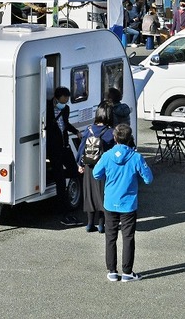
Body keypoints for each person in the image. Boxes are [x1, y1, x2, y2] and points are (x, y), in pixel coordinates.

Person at [92, 124, 153, 282]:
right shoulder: (136, 157)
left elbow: (96, 174)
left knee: (110, 237)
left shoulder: (107, 155)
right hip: (128, 204)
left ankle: (112, 270)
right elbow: (148, 179)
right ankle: (127, 272)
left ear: (114, 138)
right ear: (130, 138)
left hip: (110, 202)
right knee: (128, 237)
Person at [76, 102, 116, 233]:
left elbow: (81, 148)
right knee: (102, 195)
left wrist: (80, 164)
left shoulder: (89, 130)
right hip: (103, 168)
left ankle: (89, 224)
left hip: (89, 167)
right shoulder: (111, 132)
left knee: (89, 195)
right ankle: (101, 225)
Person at [46, 86, 81, 227]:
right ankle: (63, 213)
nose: (65, 102)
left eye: (67, 100)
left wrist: (76, 131)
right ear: (57, 97)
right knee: (61, 182)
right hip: (54, 148)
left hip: (64, 146)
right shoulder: (47, 107)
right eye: (64, 99)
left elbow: (65, 124)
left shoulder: (65, 109)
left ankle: (55, 174)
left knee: (74, 170)